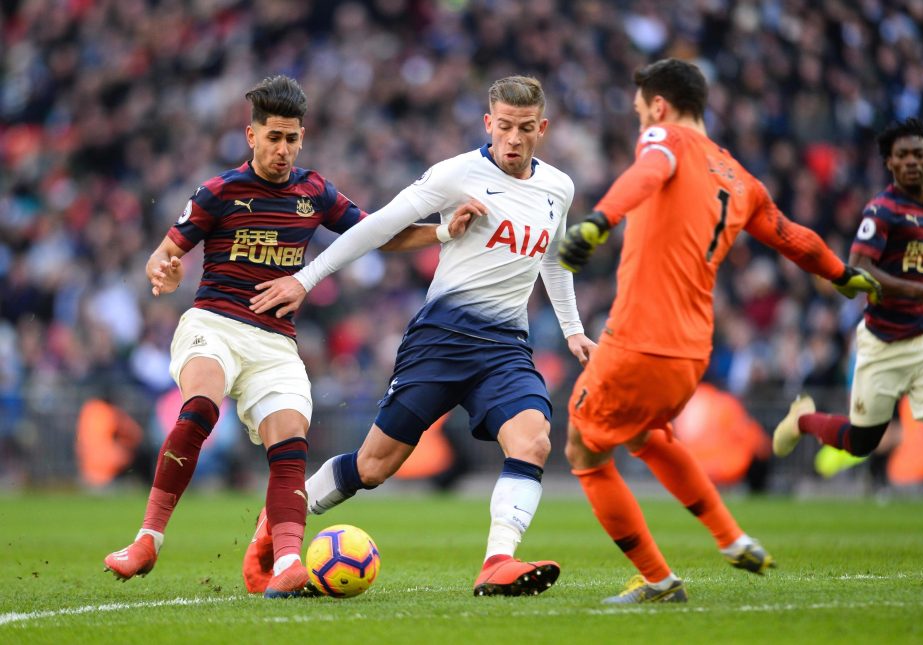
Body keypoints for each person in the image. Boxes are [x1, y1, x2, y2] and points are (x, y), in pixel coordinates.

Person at [102, 75, 478, 598]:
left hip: (274, 344)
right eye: (273, 137)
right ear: (251, 135)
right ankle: (146, 539)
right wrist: (162, 270)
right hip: (214, 324)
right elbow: (165, 252)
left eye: (292, 138)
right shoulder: (219, 192)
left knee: (290, 448)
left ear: (302, 137)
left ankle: (285, 564)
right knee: (200, 410)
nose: (282, 149)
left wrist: (440, 232)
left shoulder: (314, 191)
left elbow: (374, 231)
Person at [244, 75, 596, 597]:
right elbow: (378, 226)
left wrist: (573, 329)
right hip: (441, 341)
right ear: (488, 124)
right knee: (372, 466)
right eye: (504, 127)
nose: (514, 139)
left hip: (504, 348)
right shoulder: (457, 174)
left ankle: (498, 561)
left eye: (525, 128)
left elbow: (554, 256)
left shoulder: (558, 187)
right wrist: (306, 278)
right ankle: (270, 531)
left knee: (535, 439)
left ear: (541, 128)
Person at [557, 58, 881, 604]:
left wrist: (599, 220)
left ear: (658, 106)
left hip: (639, 339)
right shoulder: (739, 178)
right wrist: (842, 274)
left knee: (583, 450)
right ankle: (732, 538)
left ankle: (658, 580)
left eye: (641, 112)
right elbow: (792, 237)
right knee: (645, 435)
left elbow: (650, 170)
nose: (642, 124)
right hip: (691, 354)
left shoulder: (666, 140)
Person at [773, 117, 923, 517]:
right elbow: (859, 268)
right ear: (890, 163)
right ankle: (804, 419)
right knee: (862, 442)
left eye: (918, 154)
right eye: (902, 155)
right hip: (885, 342)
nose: (911, 161)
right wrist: (921, 291)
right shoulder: (881, 210)